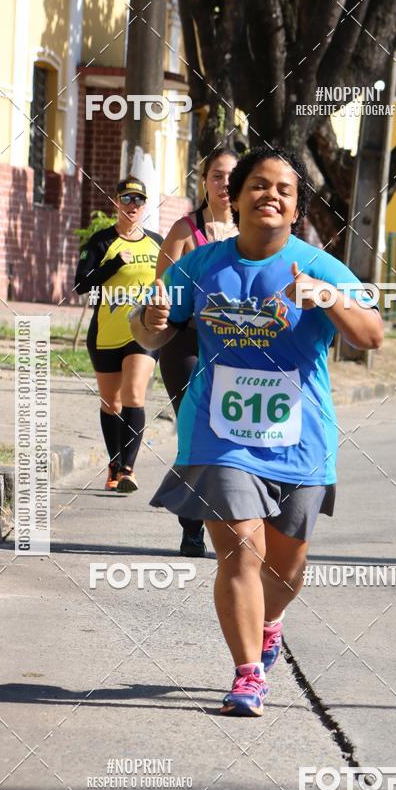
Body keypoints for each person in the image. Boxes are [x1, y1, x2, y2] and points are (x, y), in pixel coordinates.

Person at [131, 147, 383, 717]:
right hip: (218, 433)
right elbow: (148, 333)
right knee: (241, 551)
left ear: (295, 208)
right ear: (235, 196)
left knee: (286, 567)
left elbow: (371, 335)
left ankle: (271, 621)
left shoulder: (319, 265)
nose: (271, 195)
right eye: (258, 186)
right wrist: (148, 321)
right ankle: (247, 675)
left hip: (299, 439)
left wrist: (328, 297)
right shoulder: (201, 265)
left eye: (284, 190)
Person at [155, 147, 239, 557]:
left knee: (233, 434)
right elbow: (159, 296)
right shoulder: (185, 232)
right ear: (204, 181)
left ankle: (237, 520)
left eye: (231, 177)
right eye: (217, 176)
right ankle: (192, 527)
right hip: (187, 344)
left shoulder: (253, 232)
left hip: (242, 346)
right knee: (196, 431)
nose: (224, 184)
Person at [74, 176, 162, 492]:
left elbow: (173, 280)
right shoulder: (100, 242)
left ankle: (127, 469)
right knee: (111, 403)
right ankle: (114, 464)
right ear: (116, 202)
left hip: (144, 332)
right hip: (106, 332)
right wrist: (112, 265)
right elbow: (81, 284)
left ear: (145, 204)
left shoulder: (157, 243)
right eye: (127, 199)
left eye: (138, 200)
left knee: (134, 395)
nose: (133, 206)